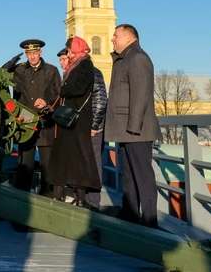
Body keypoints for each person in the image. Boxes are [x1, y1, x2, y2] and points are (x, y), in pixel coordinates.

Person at [105, 24, 162, 228]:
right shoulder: (123, 58)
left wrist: (134, 127)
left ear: (129, 38)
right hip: (125, 129)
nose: (112, 39)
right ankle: (129, 214)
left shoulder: (138, 58)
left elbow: (140, 95)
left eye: (116, 36)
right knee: (128, 175)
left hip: (135, 130)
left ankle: (149, 220)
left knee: (143, 176)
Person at [47, 37, 102, 206]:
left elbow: (78, 88)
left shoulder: (85, 65)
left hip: (77, 120)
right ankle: (60, 195)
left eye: (70, 50)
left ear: (77, 49)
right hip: (68, 120)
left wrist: (62, 89)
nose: (69, 53)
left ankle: (80, 199)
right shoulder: (75, 66)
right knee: (63, 158)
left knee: (78, 159)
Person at [11, 39, 61, 196]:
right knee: (25, 166)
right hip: (25, 125)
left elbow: (59, 96)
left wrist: (47, 104)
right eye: (29, 53)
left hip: (45, 124)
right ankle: (22, 199)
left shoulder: (52, 71)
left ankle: (47, 198)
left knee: (47, 167)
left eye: (34, 53)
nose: (32, 56)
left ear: (41, 52)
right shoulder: (19, 71)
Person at [84, 64, 108, 208]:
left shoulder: (94, 73)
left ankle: (93, 201)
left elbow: (101, 101)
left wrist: (94, 125)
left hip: (93, 128)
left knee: (94, 163)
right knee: (85, 163)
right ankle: (83, 197)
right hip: (82, 127)